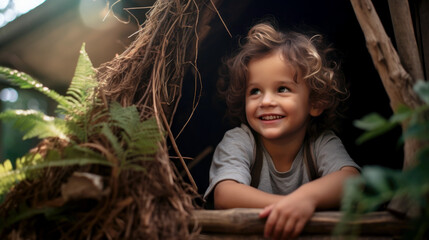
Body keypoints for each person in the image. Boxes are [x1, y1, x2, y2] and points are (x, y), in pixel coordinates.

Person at [204, 22, 360, 239]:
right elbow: (225, 194)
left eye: (282, 89)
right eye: (255, 91)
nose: (266, 101)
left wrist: (306, 199)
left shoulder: (320, 143)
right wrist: (288, 207)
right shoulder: (240, 140)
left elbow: (353, 181)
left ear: (315, 102)